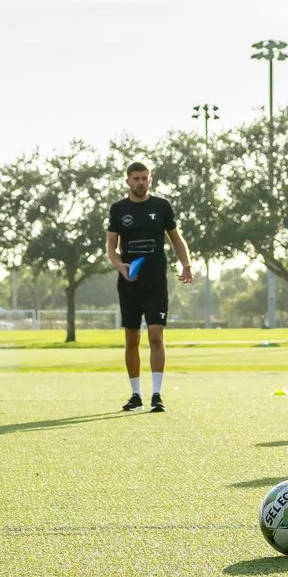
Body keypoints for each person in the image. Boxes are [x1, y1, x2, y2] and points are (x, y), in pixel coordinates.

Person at [107, 160, 194, 412]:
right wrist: (120, 266)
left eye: (145, 178)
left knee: (156, 336)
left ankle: (157, 394)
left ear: (150, 180)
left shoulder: (161, 206)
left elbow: (176, 239)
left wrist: (186, 264)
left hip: (156, 282)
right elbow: (111, 248)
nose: (140, 183)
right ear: (127, 181)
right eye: (136, 178)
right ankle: (136, 395)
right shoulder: (118, 209)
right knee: (131, 339)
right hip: (130, 283)